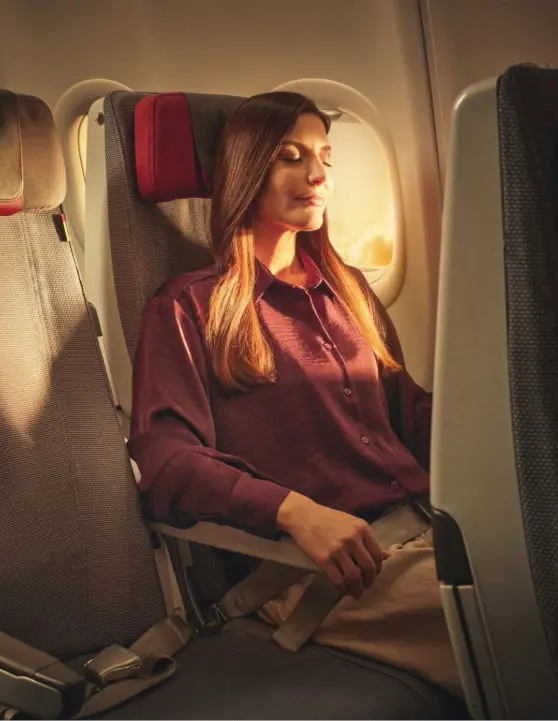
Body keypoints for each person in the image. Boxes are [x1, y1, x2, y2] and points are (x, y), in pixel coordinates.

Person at [127, 90, 461, 698]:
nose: (317, 175)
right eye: (290, 156)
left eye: (326, 158)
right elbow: (167, 464)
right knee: (526, 609)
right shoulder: (189, 307)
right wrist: (295, 512)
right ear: (248, 170)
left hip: (429, 530)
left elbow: (410, 414)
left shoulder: (348, 288)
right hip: (323, 574)